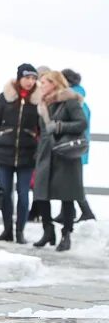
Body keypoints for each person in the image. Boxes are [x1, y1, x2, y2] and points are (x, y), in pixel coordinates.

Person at [32, 70, 88, 252]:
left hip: (65, 154)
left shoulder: (69, 101)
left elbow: (82, 123)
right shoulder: (42, 104)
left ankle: (66, 235)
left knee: (67, 196)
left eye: (44, 82)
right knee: (41, 194)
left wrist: (59, 126)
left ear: (55, 83)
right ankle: (48, 231)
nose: (41, 86)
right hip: (45, 154)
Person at [0, 64, 40, 244]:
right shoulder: (5, 96)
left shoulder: (39, 100)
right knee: (5, 193)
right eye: (27, 78)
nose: (30, 82)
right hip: (4, 152)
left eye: (33, 78)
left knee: (24, 194)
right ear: (19, 78)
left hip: (28, 154)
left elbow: (43, 128)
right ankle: (7, 230)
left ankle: (20, 232)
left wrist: (39, 151)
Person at [58, 69, 96, 223]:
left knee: (73, 183)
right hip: (75, 147)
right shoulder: (78, 98)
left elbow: (79, 124)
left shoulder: (74, 99)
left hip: (73, 148)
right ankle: (67, 212)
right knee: (66, 181)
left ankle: (87, 212)